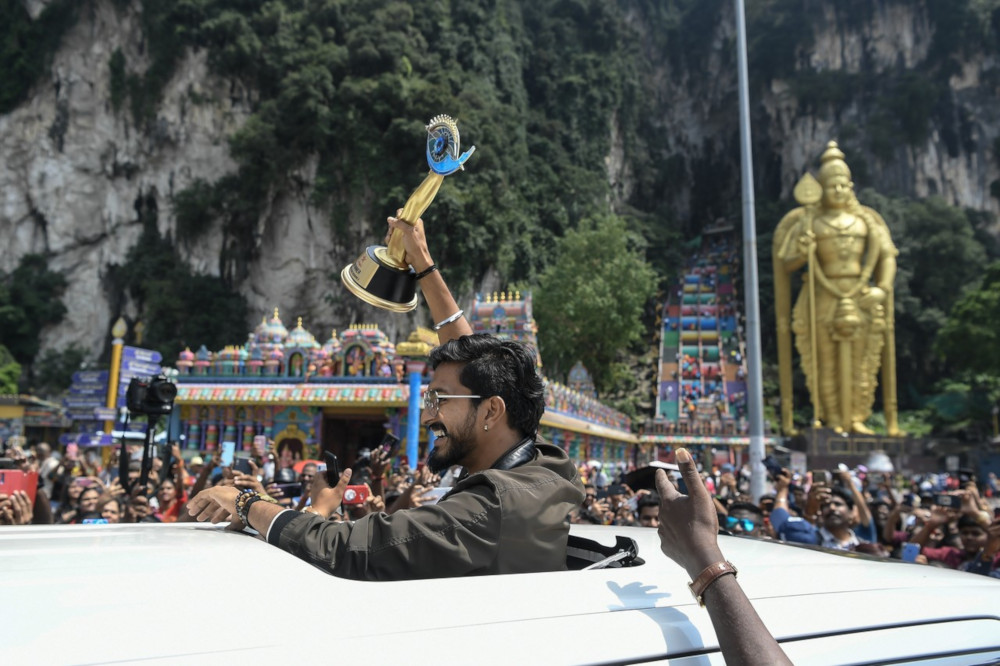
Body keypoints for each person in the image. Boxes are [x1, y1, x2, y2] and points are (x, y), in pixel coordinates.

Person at [188, 213, 585, 580]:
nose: (428, 417)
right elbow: (480, 368)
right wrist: (423, 265)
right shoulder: (548, 468)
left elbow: (343, 548)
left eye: (439, 400)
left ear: (491, 411)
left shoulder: (487, 510)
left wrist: (244, 503)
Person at [773, 141, 899, 435]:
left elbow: (887, 255)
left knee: (863, 360)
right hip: (822, 296)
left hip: (860, 294)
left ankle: (857, 416)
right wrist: (803, 252)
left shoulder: (866, 220)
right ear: (821, 189)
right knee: (823, 362)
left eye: (843, 185)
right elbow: (786, 261)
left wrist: (881, 288)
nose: (839, 191)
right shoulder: (809, 221)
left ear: (851, 186)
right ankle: (831, 418)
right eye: (832, 186)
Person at [655, 449, 792, 665]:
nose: (739, 528)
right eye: (733, 524)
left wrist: (699, 551)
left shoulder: (781, 576)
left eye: (747, 525)